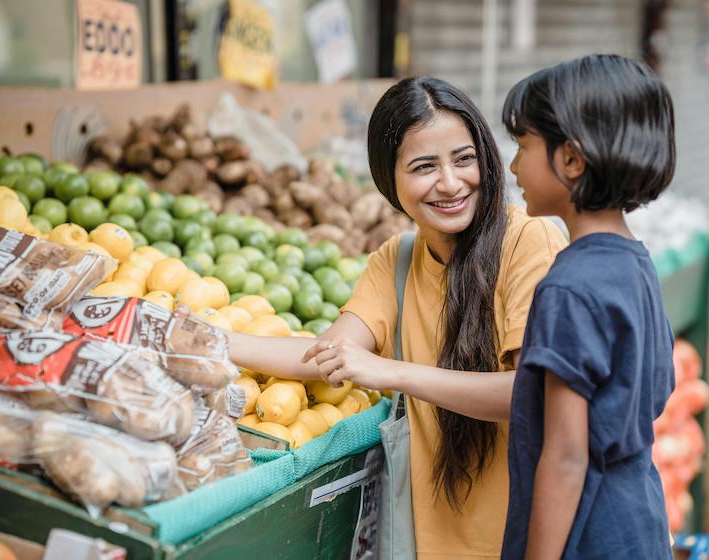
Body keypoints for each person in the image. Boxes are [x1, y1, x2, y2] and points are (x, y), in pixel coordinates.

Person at [228, 76, 566, 558]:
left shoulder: (529, 243)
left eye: (464, 159)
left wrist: (393, 373)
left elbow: (530, 393)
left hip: (522, 540)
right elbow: (324, 355)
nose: (450, 183)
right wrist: (211, 341)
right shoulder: (397, 260)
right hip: (431, 542)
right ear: (389, 179)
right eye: (424, 166)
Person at [499, 54, 675, 559]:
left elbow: (567, 456)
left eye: (523, 144)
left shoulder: (568, 287)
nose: (513, 166)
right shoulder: (635, 263)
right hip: (638, 520)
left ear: (572, 160)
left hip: (586, 536)